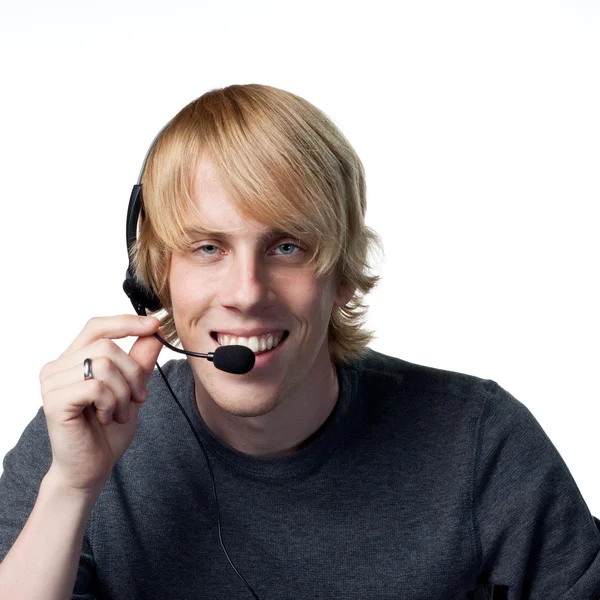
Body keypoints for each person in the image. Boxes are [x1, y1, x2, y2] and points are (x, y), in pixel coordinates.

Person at [0, 84, 599, 600]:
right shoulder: (76, 440)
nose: (246, 292)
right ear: (157, 277)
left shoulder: (478, 439)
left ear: (341, 273)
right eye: (208, 248)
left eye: (287, 247)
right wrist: (71, 488)